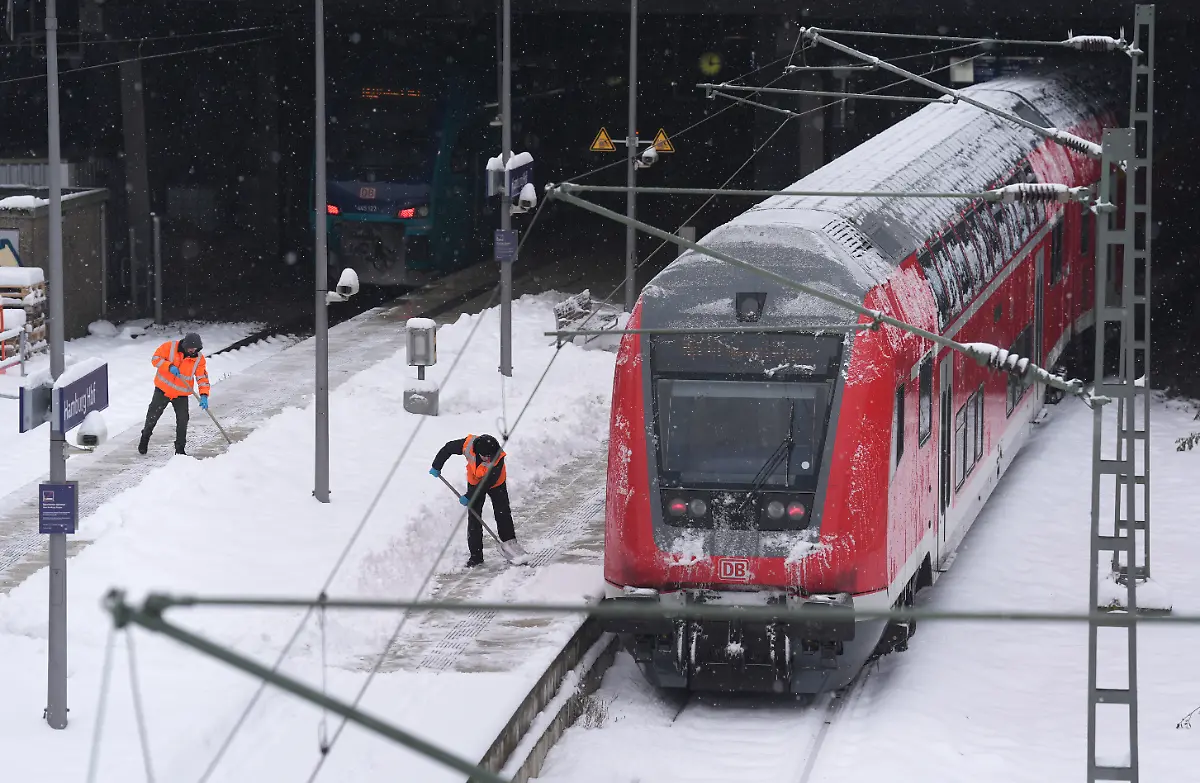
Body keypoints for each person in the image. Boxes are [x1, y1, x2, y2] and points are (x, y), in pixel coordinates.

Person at [430, 433, 525, 567]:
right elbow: (448, 448)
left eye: (491, 456)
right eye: (486, 457)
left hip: (496, 483)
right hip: (474, 481)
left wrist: (469, 495)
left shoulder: (498, 457)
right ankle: (476, 556)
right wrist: (437, 465)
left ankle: (510, 544)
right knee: (474, 518)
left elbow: (486, 482)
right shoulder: (468, 445)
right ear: (479, 452)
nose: (489, 459)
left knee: (502, 513)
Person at [138, 332, 210, 456]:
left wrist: (204, 395)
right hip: (163, 390)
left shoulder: (199, 359)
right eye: (190, 348)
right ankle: (145, 438)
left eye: (195, 349)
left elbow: (202, 377)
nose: (193, 350)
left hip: (181, 394)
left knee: (183, 420)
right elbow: (155, 359)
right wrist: (169, 366)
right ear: (185, 345)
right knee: (152, 417)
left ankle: (180, 449)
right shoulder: (169, 347)